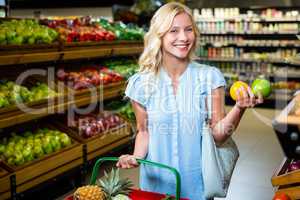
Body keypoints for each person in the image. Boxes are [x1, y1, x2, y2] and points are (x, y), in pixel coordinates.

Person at [116, 2, 263, 200]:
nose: (183, 38)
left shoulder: (210, 77)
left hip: (196, 186)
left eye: (188, 30)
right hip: (155, 184)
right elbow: (144, 131)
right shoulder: (142, 83)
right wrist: (135, 157)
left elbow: (219, 135)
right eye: (173, 31)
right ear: (159, 36)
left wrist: (239, 107)